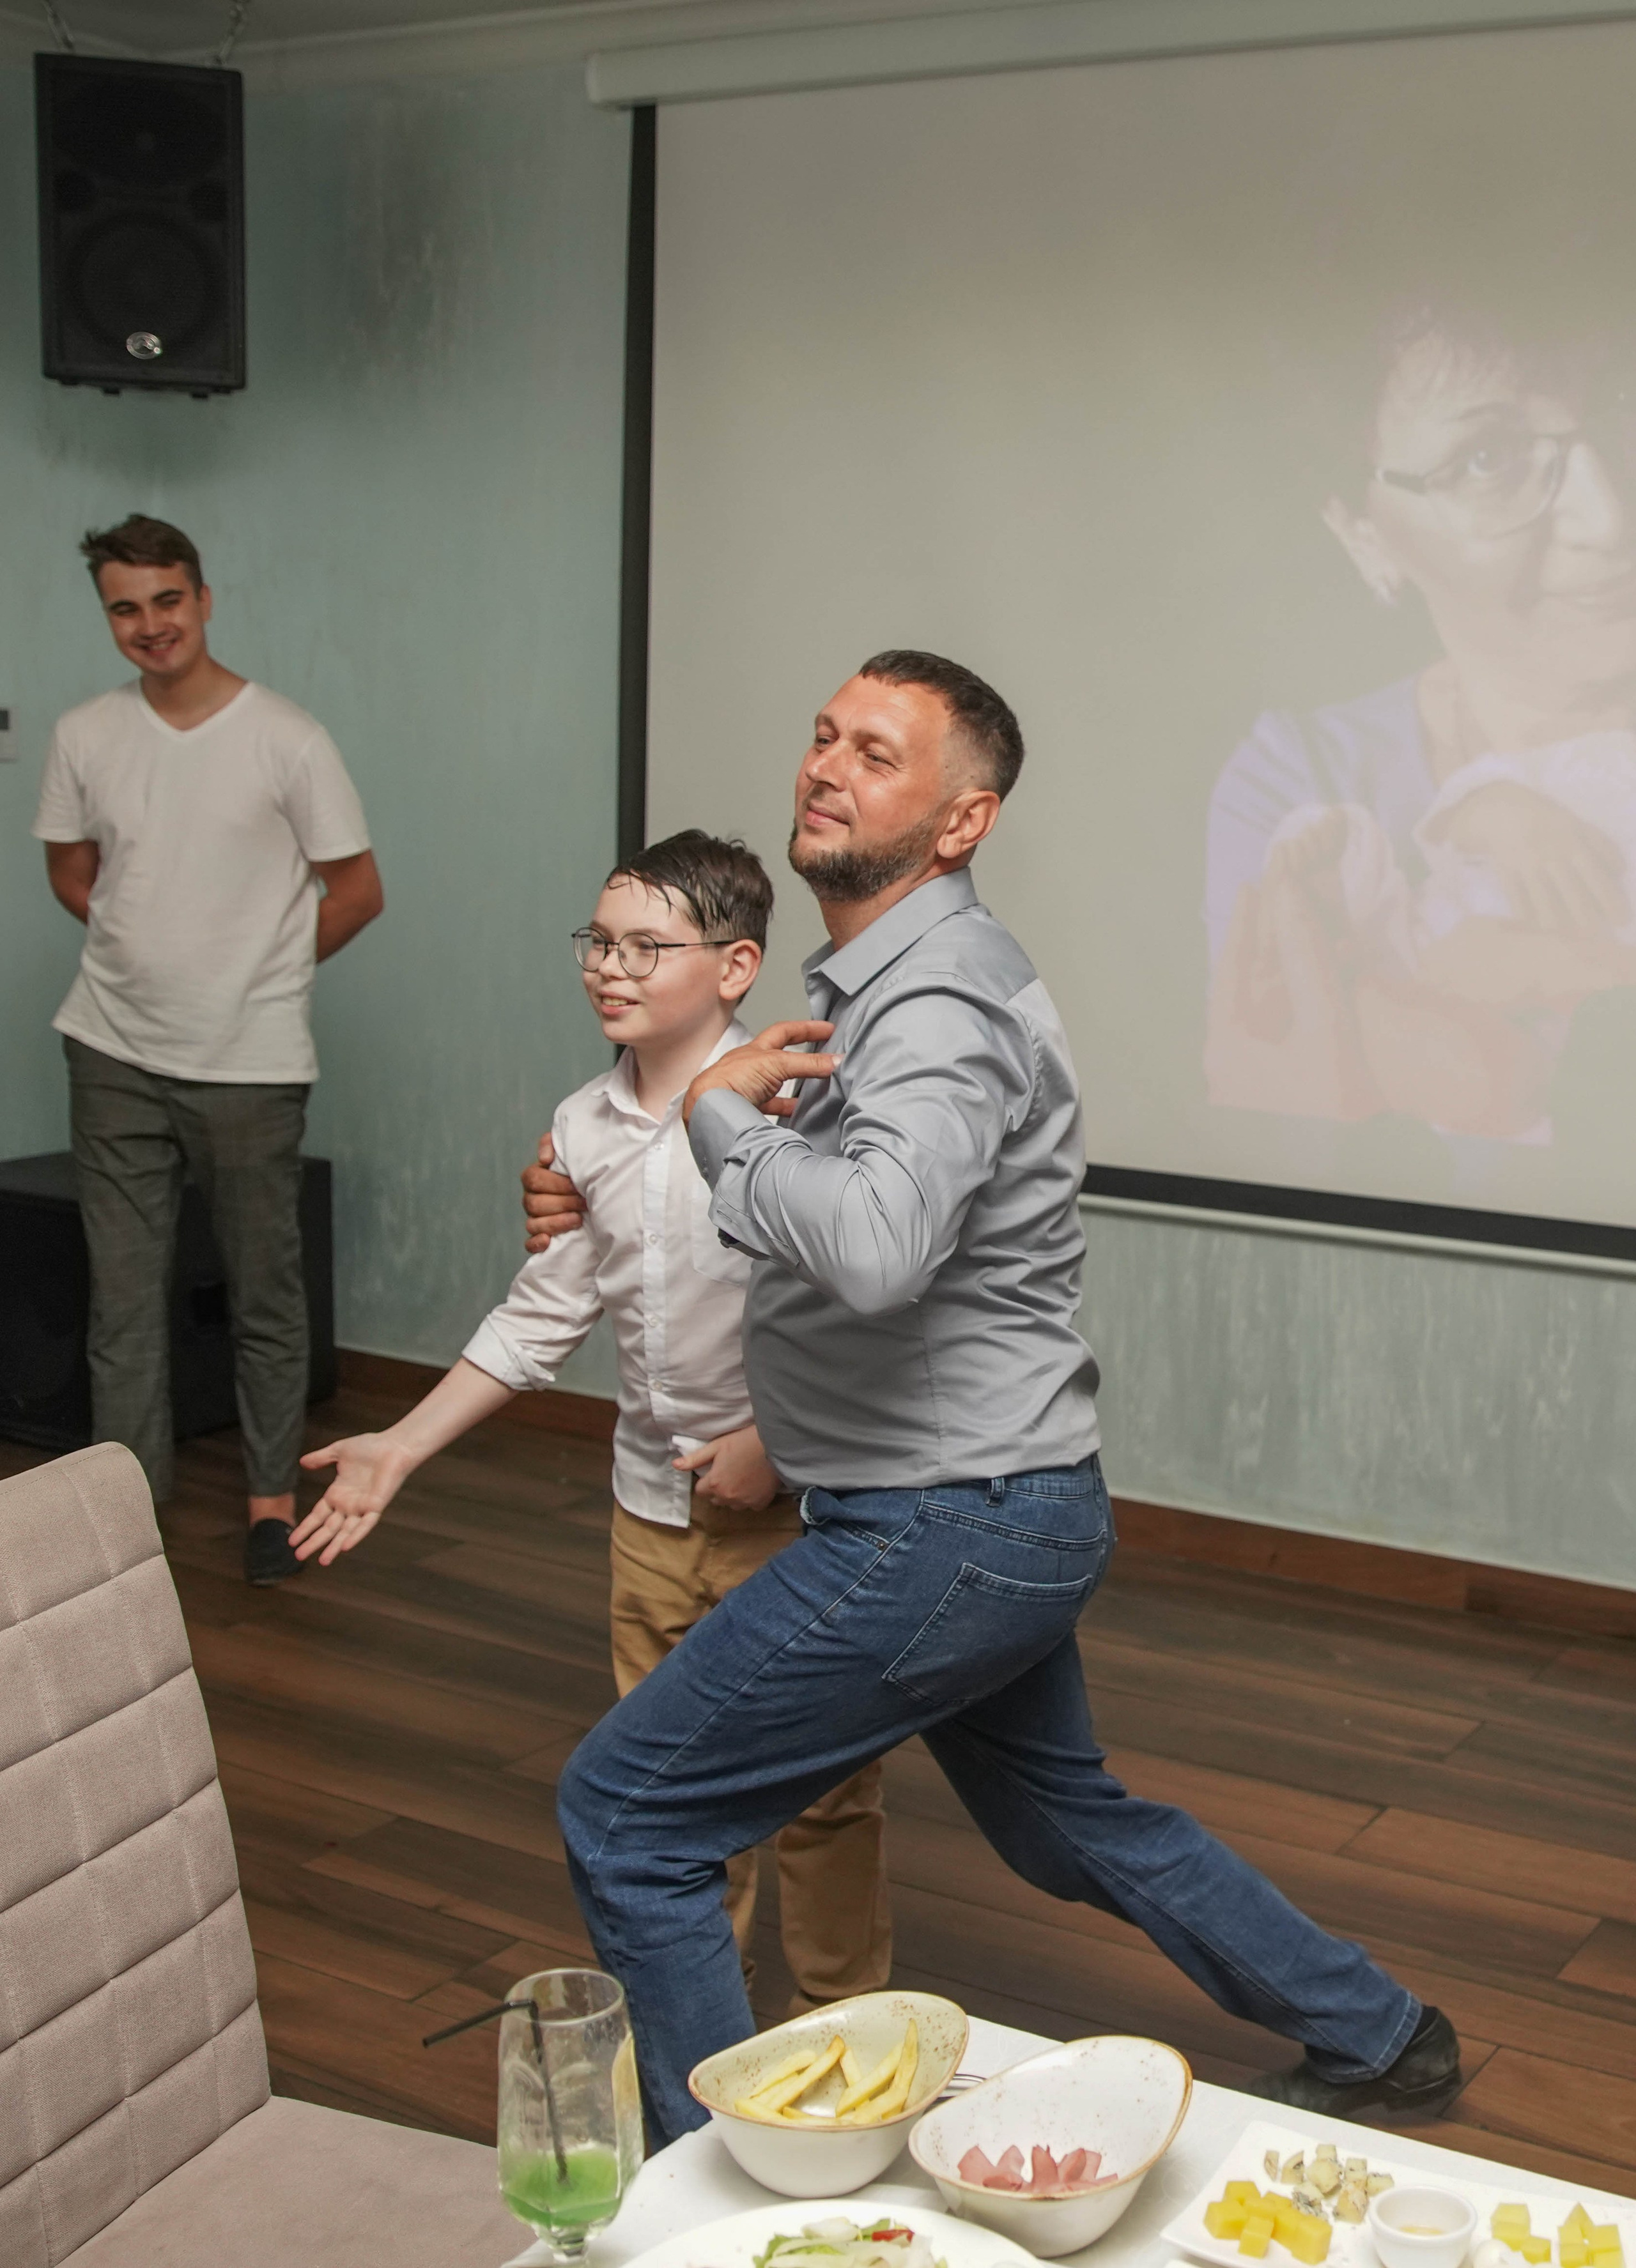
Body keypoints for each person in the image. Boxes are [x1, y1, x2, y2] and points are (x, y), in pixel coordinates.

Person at [529, 651, 1461, 2145]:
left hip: (941, 1526)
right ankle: (1382, 2033)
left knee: (629, 1813)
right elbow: (836, 1213)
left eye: (877, 754)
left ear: (959, 822)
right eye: (822, 735)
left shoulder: (938, 997)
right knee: (1062, 1816)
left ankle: (711, 2196)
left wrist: (712, 1118)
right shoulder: (879, 985)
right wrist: (641, 1163)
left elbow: (880, 1247)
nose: (826, 764)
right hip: (999, 1510)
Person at [288, 829, 892, 2018]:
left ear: (734, 967)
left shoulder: (795, 1105)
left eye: (646, 947)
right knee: (667, 1795)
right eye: (599, 943)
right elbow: (544, 1310)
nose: (610, 968)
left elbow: (858, 1305)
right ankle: (706, 2036)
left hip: (803, 1521)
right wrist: (398, 1447)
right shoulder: (581, 1127)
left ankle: (847, 2033)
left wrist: (774, 1444)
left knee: (825, 1794)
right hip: (648, 1517)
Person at [34, 515, 382, 1585]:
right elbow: (72, 872)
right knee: (122, 1297)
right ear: (111, 616)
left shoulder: (288, 736)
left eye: (167, 600)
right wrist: (151, 948)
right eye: (125, 607)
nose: (150, 625)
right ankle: (126, 1516)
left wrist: (262, 966)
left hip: (251, 1060)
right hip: (111, 1049)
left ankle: (271, 1504)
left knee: (262, 1287)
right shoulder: (86, 733)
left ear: (205, 599)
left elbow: (359, 891)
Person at [1206, 280, 1636, 1140]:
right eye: (1488, 459)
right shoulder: (1307, 783)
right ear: (1363, 533)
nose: (1612, 519)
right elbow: (1294, 1146)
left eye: (1625, 404)